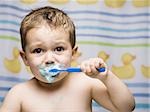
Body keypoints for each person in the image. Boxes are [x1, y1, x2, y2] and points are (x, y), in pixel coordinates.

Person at [0, 6, 135, 112]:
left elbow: (126, 107)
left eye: (58, 49)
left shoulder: (86, 84)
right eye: (38, 50)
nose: (49, 59)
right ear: (25, 58)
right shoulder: (19, 94)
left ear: (73, 53)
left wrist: (106, 77)